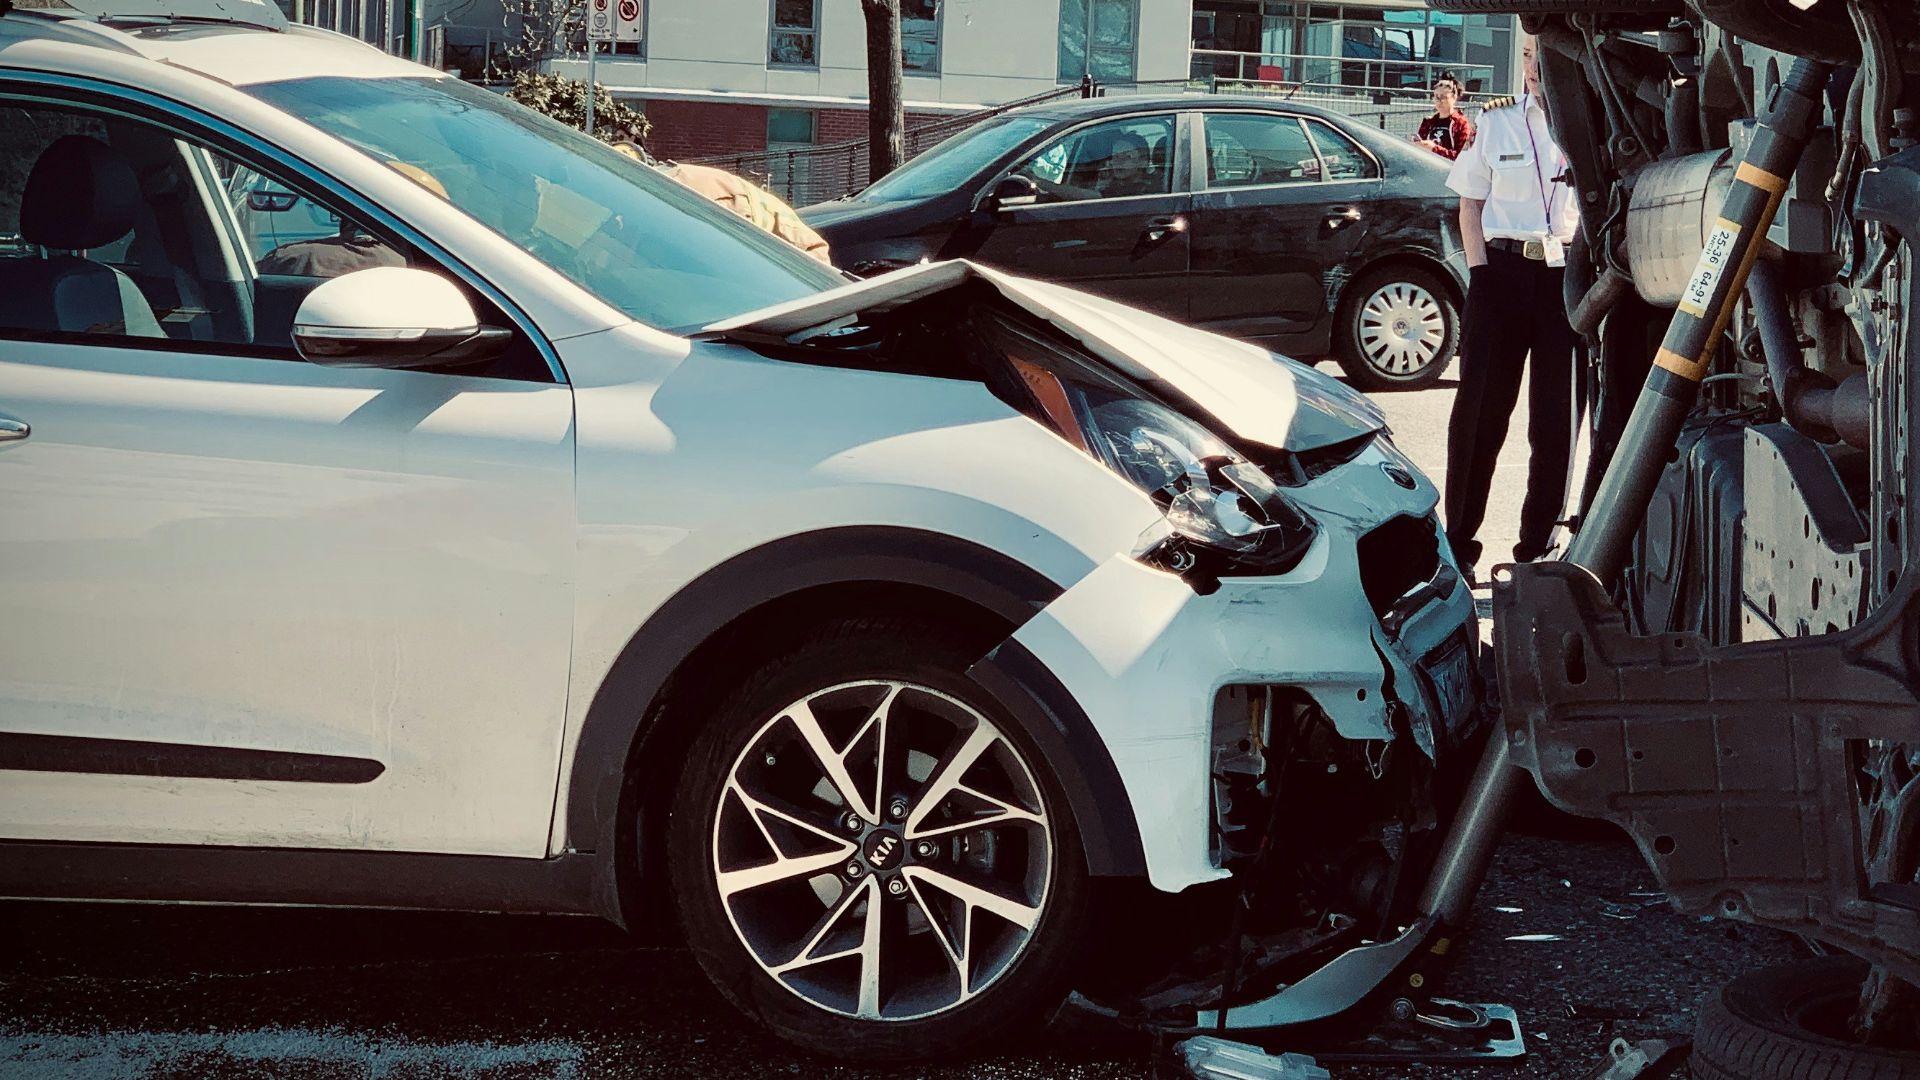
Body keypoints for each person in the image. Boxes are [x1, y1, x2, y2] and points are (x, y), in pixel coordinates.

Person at [1440, 35, 1581, 575]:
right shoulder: (1496, 122)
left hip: (1566, 278)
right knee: (1479, 414)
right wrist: (1479, 272)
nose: (1532, 67)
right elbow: (1469, 205)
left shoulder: (1588, 122)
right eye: (1525, 56)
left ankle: (1536, 550)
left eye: (1541, 56)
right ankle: (1458, 547)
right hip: (1501, 274)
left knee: (1556, 422)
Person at [1414, 72, 1473, 160]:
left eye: (1443, 97)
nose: (1439, 101)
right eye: (1436, 97)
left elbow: (1462, 157)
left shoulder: (1461, 123)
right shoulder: (1428, 122)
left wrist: (1434, 149)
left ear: (1454, 97)